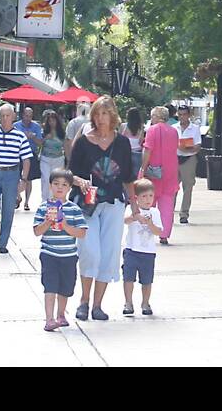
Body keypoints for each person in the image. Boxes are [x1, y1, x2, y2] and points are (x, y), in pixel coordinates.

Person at [67, 95, 136, 321]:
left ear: (113, 115)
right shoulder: (84, 141)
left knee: (109, 254)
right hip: (87, 203)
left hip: (113, 203)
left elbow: (128, 177)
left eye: (105, 113)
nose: (101, 118)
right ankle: (84, 301)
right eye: (97, 113)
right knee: (90, 251)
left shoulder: (123, 143)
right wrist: (80, 182)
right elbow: (69, 172)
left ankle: (98, 305)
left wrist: (134, 206)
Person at [33, 169, 88, 331]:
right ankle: (49, 318)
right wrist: (47, 222)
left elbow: (82, 232)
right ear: (50, 186)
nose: (59, 188)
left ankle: (61, 314)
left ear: (70, 188)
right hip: (49, 253)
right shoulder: (44, 207)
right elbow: (36, 231)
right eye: (56, 184)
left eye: (64, 185)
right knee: (50, 286)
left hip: (69, 255)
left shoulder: (74, 209)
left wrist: (64, 224)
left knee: (66, 287)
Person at [0, 103, 34, 254]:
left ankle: (3, 243)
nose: (4, 119)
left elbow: (27, 160)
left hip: (12, 175)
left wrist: (23, 179)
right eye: (2, 116)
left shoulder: (20, 136)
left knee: (8, 210)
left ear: (13, 117)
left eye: (8, 115)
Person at [122, 178, 163, 316]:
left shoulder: (155, 212)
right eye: (144, 196)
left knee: (147, 280)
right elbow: (125, 221)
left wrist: (150, 224)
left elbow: (159, 231)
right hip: (131, 250)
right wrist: (135, 216)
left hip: (148, 252)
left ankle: (145, 302)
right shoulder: (131, 209)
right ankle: (128, 302)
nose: (147, 199)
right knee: (128, 278)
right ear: (136, 198)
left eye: (150, 196)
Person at [139, 106, 179, 243]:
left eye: (152, 116)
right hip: (171, 171)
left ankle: (149, 229)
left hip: (154, 171)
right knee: (167, 203)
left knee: (149, 200)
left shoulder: (152, 130)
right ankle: (164, 234)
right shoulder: (174, 131)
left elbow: (147, 150)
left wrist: (143, 168)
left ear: (156, 117)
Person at [175, 105, 202, 225]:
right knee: (172, 188)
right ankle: (168, 211)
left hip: (189, 159)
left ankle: (184, 213)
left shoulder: (194, 128)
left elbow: (197, 146)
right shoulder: (173, 128)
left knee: (188, 188)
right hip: (174, 158)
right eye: (180, 114)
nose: (182, 117)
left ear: (189, 115)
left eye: (184, 114)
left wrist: (185, 148)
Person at [17, 106, 44, 211]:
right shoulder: (16, 126)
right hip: (17, 154)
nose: (28, 118)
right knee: (16, 177)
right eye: (26, 116)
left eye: (30, 116)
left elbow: (40, 143)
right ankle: (18, 196)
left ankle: (27, 202)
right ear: (22, 115)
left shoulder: (36, 126)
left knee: (29, 179)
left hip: (30, 154)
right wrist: (23, 136)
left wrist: (33, 137)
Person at [38, 109, 67, 202]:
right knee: (46, 179)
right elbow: (39, 143)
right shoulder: (44, 131)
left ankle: (55, 199)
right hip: (45, 158)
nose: (52, 122)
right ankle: (45, 200)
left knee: (56, 180)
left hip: (58, 159)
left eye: (53, 120)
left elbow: (65, 145)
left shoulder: (61, 132)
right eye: (49, 120)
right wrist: (45, 138)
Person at [122, 106, 146, 176]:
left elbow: (119, 138)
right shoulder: (141, 127)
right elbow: (140, 141)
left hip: (126, 153)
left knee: (126, 175)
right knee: (137, 175)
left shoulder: (123, 126)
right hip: (138, 153)